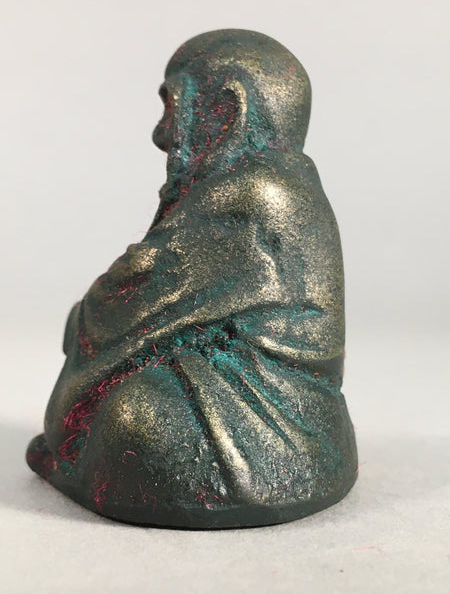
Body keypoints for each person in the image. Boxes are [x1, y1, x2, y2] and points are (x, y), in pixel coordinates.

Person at [27, 29, 357, 527]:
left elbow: (136, 296)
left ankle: (82, 465)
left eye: (173, 108)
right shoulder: (278, 183)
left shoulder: (254, 193)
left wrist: (90, 312)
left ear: (227, 109)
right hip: (312, 432)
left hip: (274, 430)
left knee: (137, 413)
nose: (161, 135)